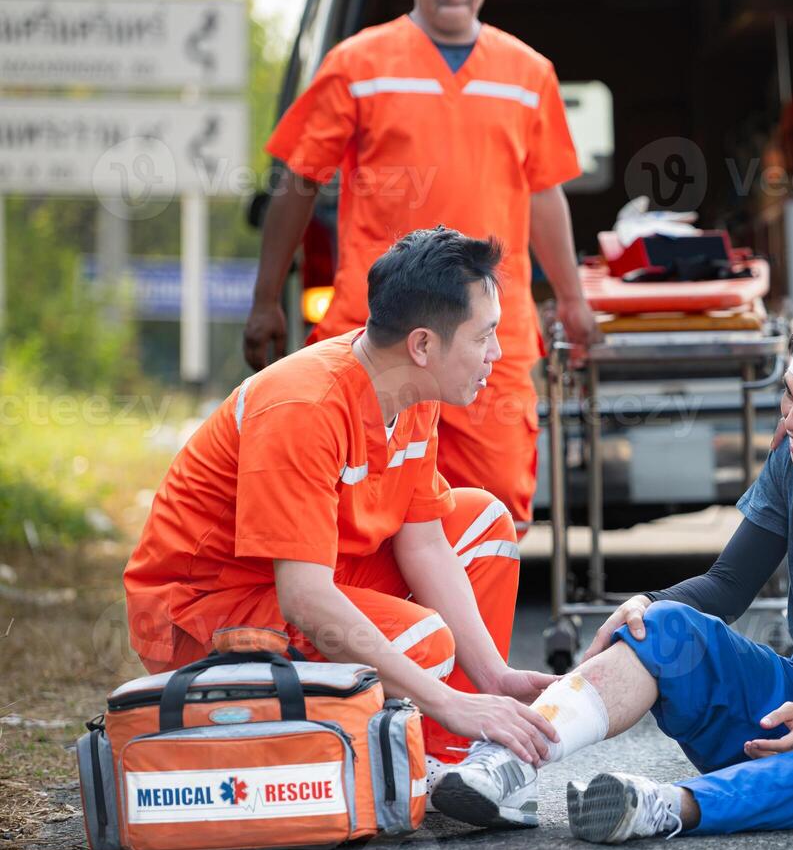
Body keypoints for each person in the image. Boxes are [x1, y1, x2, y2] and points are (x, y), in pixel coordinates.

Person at [430, 304, 793, 841]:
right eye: (789, 396)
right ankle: (505, 763)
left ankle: (667, 807)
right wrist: (647, 601)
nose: (791, 421)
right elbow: (728, 585)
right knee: (666, 623)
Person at [127, 227, 559, 795]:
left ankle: (458, 761)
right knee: (423, 640)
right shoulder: (303, 408)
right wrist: (448, 697)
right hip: (201, 612)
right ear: (423, 345)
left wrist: (492, 680)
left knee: (483, 521)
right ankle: (419, 758)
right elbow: (303, 598)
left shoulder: (410, 392)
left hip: (294, 578)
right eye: (485, 337)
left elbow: (424, 543)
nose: (498, 355)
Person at [245, 0, 598, 536]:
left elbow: (544, 195)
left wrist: (572, 298)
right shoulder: (359, 63)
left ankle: (470, 634)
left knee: (491, 518)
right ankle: (380, 632)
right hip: (376, 331)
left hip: (490, 338)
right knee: (352, 516)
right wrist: (263, 301)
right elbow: (298, 179)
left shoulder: (528, 73)